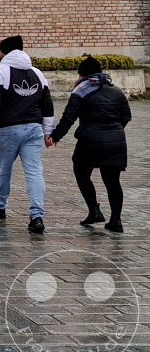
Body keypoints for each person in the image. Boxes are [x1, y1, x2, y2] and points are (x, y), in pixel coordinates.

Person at [0, 35, 55, 234]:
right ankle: (37, 216)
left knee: (4, 169)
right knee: (34, 171)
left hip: (7, 129)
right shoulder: (37, 74)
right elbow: (47, 104)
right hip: (33, 129)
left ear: (4, 52)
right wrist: (49, 131)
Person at [48, 56, 130, 232]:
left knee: (81, 173)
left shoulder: (81, 91)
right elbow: (126, 116)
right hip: (116, 142)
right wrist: (114, 130)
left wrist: (55, 136)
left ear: (82, 73)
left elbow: (69, 117)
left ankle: (94, 211)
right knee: (113, 181)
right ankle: (116, 221)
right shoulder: (116, 90)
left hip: (89, 141)